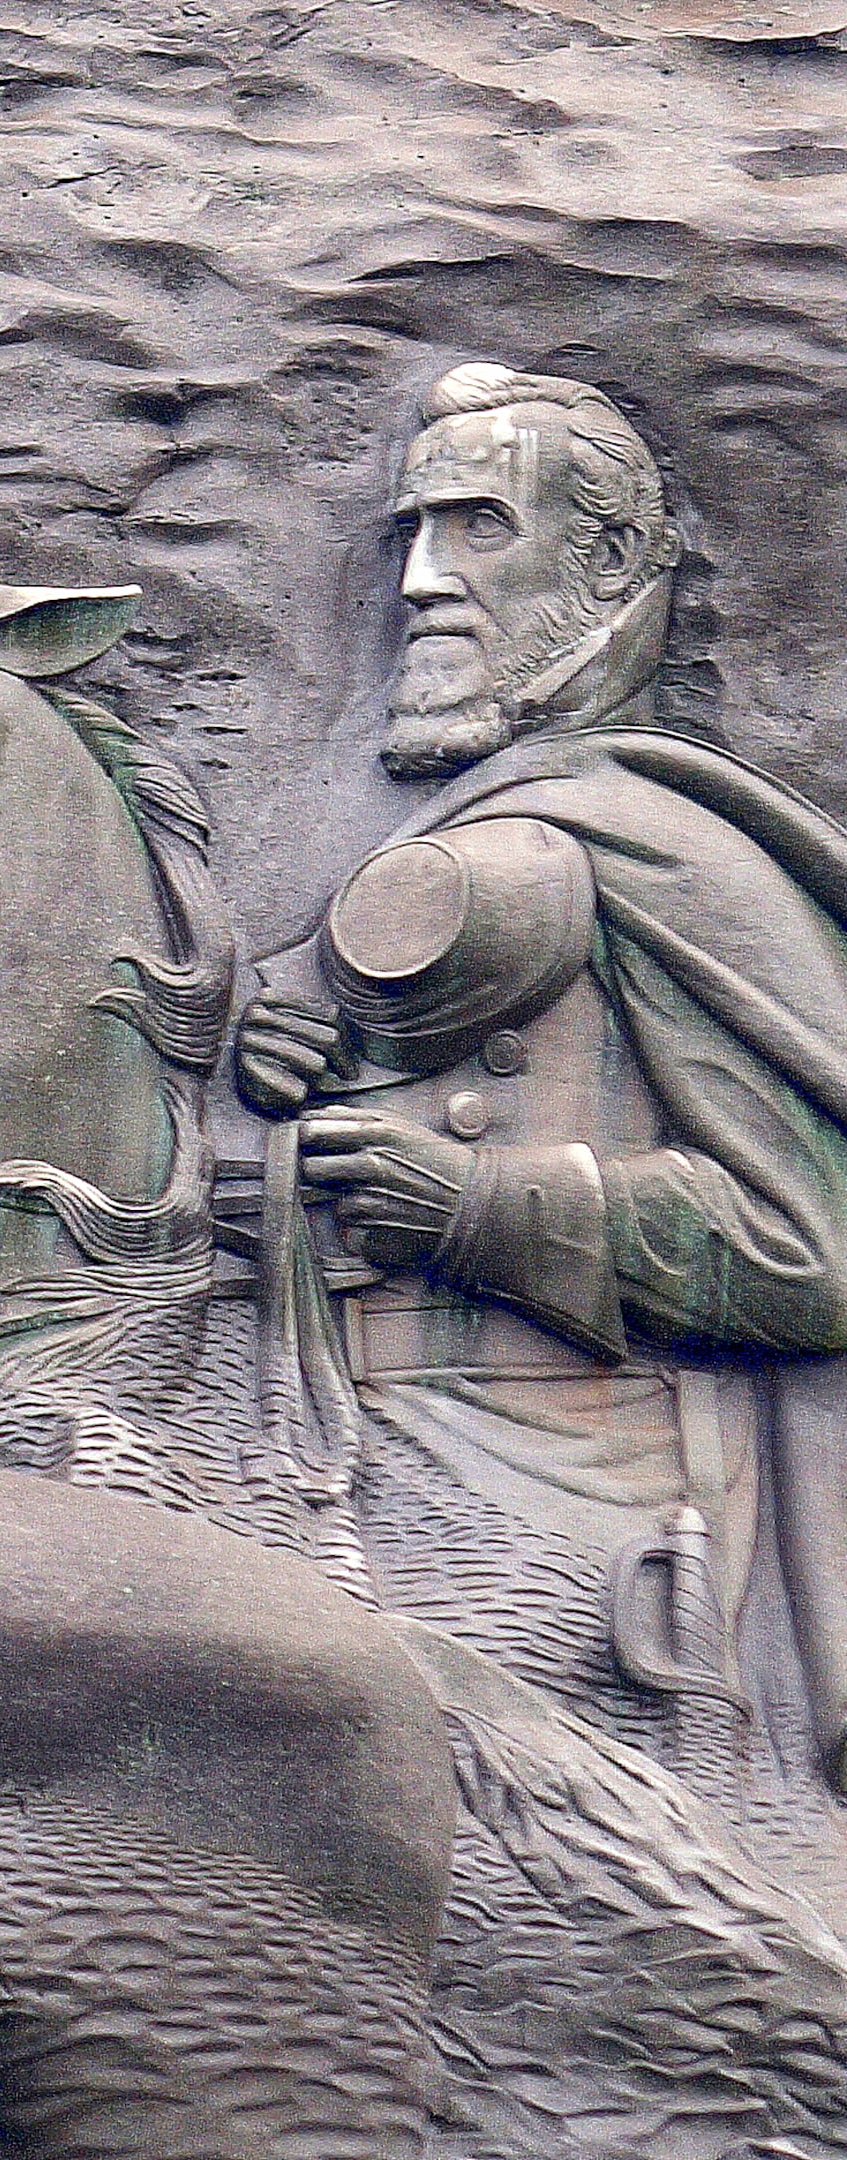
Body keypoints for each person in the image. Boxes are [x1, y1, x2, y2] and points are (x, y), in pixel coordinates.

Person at [235, 362, 847, 1870]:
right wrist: (267, 1073)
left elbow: (810, 1246)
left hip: (572, 1533)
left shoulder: (668, 850)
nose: (426, 583)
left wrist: (481, 1208)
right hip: (341, 1464)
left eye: (479, 528)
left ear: (616, 568)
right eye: (410, 537)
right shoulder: (475, 824)